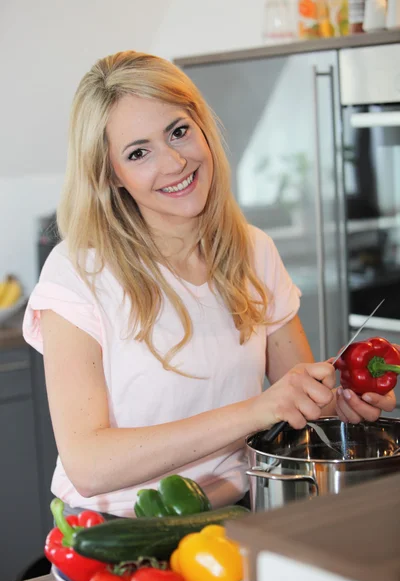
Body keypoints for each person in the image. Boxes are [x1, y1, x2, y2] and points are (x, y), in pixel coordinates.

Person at [23, 50, 396, 519]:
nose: (175, 161)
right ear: (110, 176)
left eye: (178, 131)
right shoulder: (77, 273)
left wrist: (338, 405)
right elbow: (90, 465)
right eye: (139, 153)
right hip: (119, 533)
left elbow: (298, 407)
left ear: (202, 128)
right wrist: (259, 409)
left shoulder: (253, 251)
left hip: (240, 514)